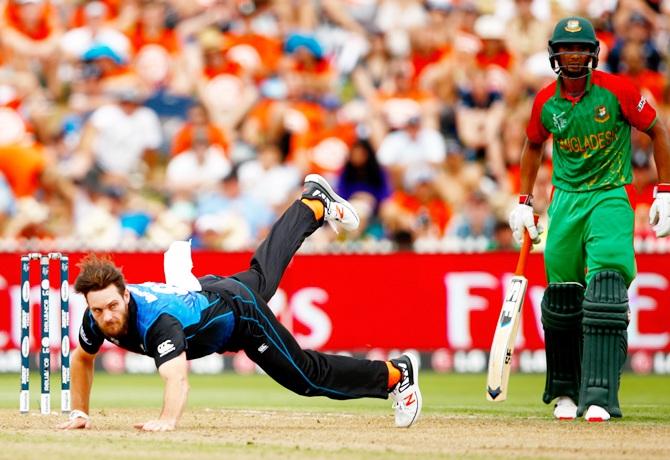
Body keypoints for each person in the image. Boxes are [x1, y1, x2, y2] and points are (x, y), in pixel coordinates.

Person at [58, 174, 422, 431]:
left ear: (125, 294)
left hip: (239, 316)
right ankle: (312, 205)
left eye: (112, 306)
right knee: (262, 275)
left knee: (308, 377)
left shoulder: (157, 322)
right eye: (98, 310)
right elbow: (82, 358)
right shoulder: (97, 315)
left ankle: (396, 375)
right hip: (208, 293)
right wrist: (79, 411)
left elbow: (177, 379)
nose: (106, 317)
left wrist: (167, 420)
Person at [509, 16, 670, 422]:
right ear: (555, 54)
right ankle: (565, 390)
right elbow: (532, 146)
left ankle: (599, 394)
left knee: (605, 288)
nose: (574, 56)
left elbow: (659, 131)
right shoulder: (546, 101)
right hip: (564, 200)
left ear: (594, 53)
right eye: (567, 49)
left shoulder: (617, 91)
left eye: (581, 49)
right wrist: (524, 201)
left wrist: (665, 192)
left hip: (611, 194)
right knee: (562, 297)